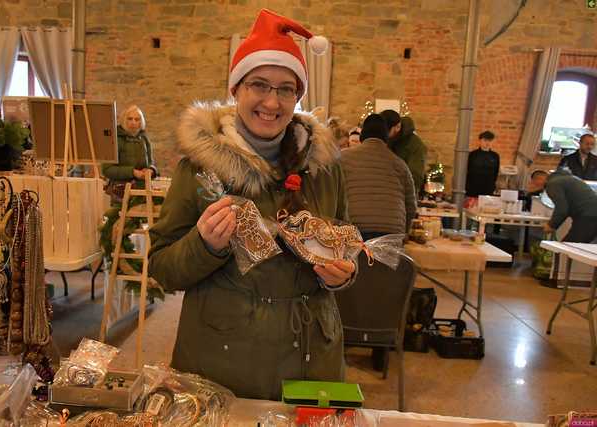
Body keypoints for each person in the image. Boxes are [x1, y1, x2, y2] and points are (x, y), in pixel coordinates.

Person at [148, 9, 354, 401]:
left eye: (286, 89)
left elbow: (347, 244)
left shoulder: (326, 167)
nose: (271, 102)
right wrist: (204, 245)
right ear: (236, 89)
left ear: (298, 96)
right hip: (224, 360)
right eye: (259, 85)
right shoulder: (199, 169)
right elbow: (163, 268)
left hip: (312, 354)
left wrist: (342, 274)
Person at [341, 113, 416, 241]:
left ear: (362, 136)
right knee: (384, 261)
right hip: (392, 229)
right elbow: (411, 205)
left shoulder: (343, 158)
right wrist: (404, 233)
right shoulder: (399, 164)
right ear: (386, 137)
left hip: (355, 227)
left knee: (354, 261)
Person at [101, 105, 157, 203]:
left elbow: (151, 163)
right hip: (120, 191)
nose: (133, 122)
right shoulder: (114, 140)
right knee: (117, 216)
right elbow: (107, 169)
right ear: (124, 120)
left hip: (142, 190)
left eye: (137, 119)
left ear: (141, 122)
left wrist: (151, 170)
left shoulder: (144, 139)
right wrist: (133, 172)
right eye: (130, 119)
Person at [542, 168, 597, 243]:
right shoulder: (572, 179)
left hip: (588, 216)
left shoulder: (553, 184)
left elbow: (562, 209)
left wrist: (551, 225)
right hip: (590, 214)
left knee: (567, 248)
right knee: (580, 248)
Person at [379, 109, 426, 193]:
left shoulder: (415, 145)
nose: (383, 134)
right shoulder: (386, 139)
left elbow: (415, 176)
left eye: (386, 131)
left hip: (403, 195)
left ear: (397, 127)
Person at [465, 130, 500, 197]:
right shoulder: (473, 154)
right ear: (480, 141)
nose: (487, 143)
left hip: (488, 187)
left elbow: (496, 172)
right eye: (485, 140)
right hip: (473, 187)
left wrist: (492, 185)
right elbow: (468, 170)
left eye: (489, 141)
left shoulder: (495, 156)